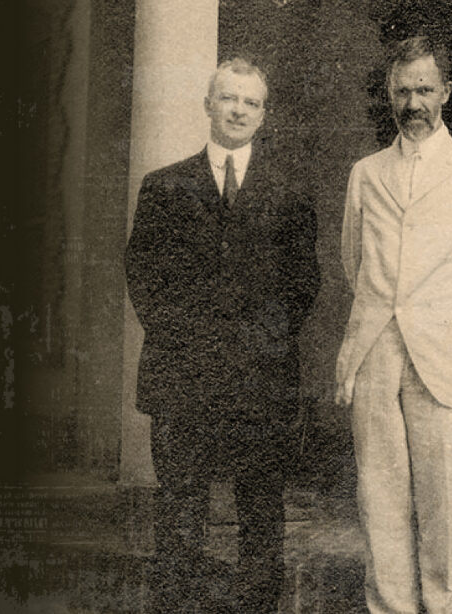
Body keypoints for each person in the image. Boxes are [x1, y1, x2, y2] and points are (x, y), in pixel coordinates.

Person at [334, 36, 452, 614]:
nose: (413, 103)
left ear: (446, 92)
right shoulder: (366, 173)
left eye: (424, 89)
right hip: (376, 352)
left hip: (446, 357)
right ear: (389, 94)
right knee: (380, 497)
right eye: (402, 91)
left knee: (443, 501)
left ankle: (441, 608)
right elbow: (354, 262)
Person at [125, 57, 319, 613]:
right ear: (208, 104)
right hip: (183, 376)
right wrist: (192, 345)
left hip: (261, 380)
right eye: (229, 98)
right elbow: (144, 277)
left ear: (263, 114)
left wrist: (262, 345)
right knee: (180, 512)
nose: (238, 110)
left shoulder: (289, 191)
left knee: (261, 511)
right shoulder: (164, 186)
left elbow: (303, 284)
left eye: (250, 102)